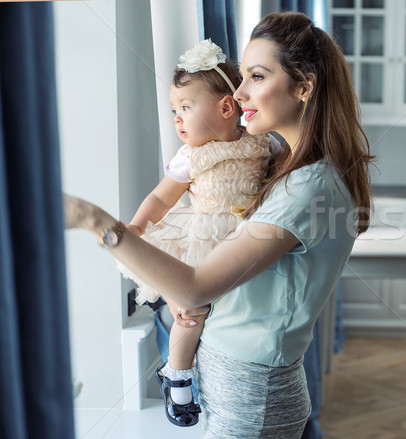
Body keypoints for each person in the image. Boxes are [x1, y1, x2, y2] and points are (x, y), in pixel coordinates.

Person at [64, 11, 373, 438]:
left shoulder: (309, 187)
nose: (241, 92)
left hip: (253, 394)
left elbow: (196, 286)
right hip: (240, 385)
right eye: (242, 76)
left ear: (304, 86)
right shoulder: (284, 165)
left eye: (258, 77)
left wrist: (89, 218)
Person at [117, 39, 277, 427]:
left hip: (244, 236)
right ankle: (178, 377)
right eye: (175, 110)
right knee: (191, 313)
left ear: (226, 108)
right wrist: (137, 227)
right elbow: (161, 197)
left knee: (238, 307)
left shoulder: (262, 142)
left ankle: (213, 373)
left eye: (185, 108)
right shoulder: (189, 157)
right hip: (201, 236)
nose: (177, 119)